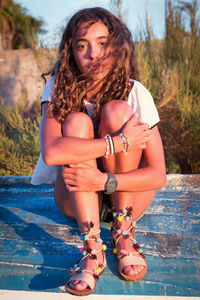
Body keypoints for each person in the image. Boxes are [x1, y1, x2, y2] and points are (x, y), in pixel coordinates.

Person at [31, 7, 166, 296]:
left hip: (128, 195)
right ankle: (93, 249)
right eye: (82, 45)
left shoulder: (135, 93)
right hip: (75, 197)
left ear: (116, 47)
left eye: (102, 43)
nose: (93, 54)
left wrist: (104, 182)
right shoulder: (58, 88)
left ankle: (124, 235)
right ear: (71, 52)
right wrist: (118, 143)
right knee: (77, 121)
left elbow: (158, 175)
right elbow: (52, 153)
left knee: (116, 111)